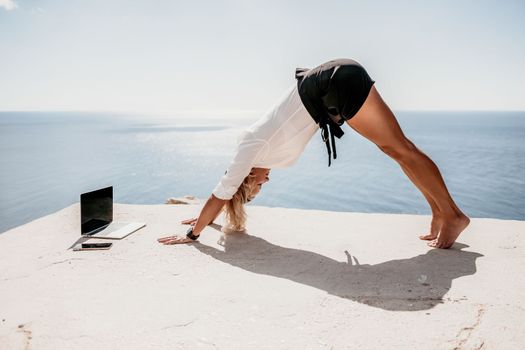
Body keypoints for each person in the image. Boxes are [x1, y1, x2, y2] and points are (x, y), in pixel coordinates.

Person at [158, 58, 470, 249]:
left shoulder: (249, 148)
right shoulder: (259, 152)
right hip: (331, 80)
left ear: (248, 176)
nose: (264, 183)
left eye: (256, 187)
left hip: (332, 83)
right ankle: (440, 212)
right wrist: (206, 217)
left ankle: (452, 215)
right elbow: (225, 193)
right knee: (397, 148)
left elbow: (223, 190)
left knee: (399, 148)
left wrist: (193, 233)